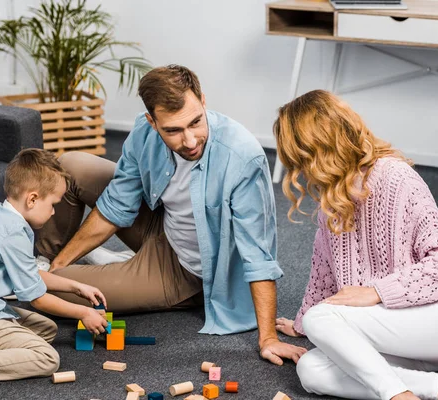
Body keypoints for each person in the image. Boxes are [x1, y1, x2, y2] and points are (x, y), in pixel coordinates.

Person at [35, 64, 306, 364]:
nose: (189, 141)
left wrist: (268, 338)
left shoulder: (242, 157)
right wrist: (57, 266)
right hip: (161, 224)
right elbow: (116, 205)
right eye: (173, 130)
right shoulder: (143, 131)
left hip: (185, 271)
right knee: (71, 166)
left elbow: (259, 256)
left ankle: (49, 276)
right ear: (152, 121)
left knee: (44, 293)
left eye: (195, 123)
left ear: (203, 101)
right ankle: (43, 261)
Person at [273, 90, 438, 400]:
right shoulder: (330, 204)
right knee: (310, 368)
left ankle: (398, 396)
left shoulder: (395, 176)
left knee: (321, 318)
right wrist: (301, 324)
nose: (302, 171)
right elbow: (323, 279)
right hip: (397, 335)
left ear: (320, 148)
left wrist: (377, 292)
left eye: (301, 160)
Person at [0, 149, 109, 382]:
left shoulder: (5, 217)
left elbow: (32, 274)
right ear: (32, 199)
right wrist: (83, 312)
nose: (52, 213)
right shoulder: (12, 233)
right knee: (47, 358)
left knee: (47, 329)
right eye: (53, 205)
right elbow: (37, 298)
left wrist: (76, 287)